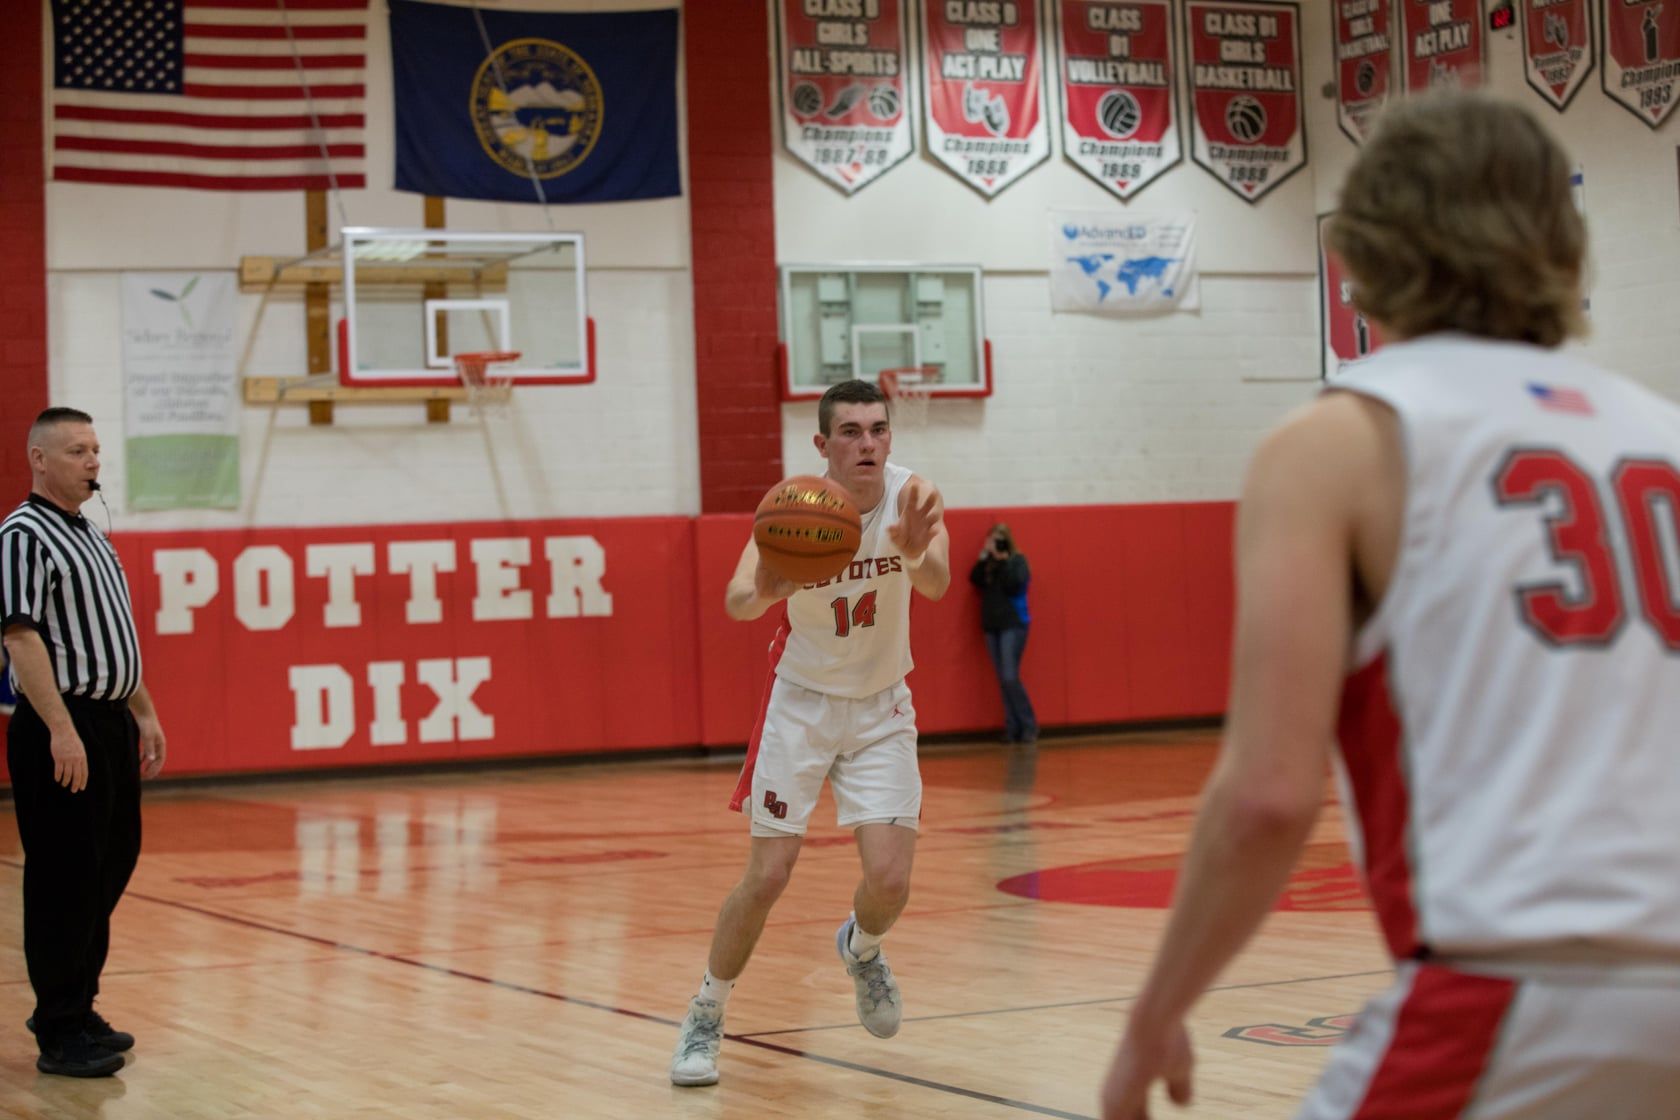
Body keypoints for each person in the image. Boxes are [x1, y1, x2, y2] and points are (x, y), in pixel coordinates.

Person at [1101, 92, 1680, 1119]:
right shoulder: (1664, 434)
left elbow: (1268, 795)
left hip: (1515, 983)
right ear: (1565, 238)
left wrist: (1157, 1010)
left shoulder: (1339, 441)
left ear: (1360, 249)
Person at [670, 379, 950, 1087]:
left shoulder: (913, 497)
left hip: (881, 704)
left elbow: (939, 584)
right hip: (800, 704)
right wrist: (765, 588)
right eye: (850, 432)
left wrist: (914, 553)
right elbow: (737, 599)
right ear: (823, 444)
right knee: (767, 875)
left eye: (878, 429)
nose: (867, 443)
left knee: (891, 879)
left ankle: (862, 949)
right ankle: (706, 1013)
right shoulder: (796, 508)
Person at [3, 408, 167, 1078]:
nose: (93, 461)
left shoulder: (93, 534)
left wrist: (144, 713)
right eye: (77, 450)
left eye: (95, 449)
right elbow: (20, 636)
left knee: (110, 862)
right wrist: (60, 729)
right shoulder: (23, 534)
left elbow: (114, 636)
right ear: (39, 459)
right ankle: (60, 1027)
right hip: (62, 724)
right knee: (64, 877)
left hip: (110, 720)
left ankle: (75, 1003)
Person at [969, 522, 1037, 744]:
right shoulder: (988, 563)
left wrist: (1003, 559)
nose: (995, 544)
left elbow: (1015, 584)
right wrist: (984, 556)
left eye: (999, 540)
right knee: (1003, 679)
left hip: (1013, 624)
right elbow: (975, 579)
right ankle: (1012, 727)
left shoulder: (1017, 561)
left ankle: (1028, 725)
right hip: (992, 625)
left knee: (1009, 676)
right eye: (992, 539)